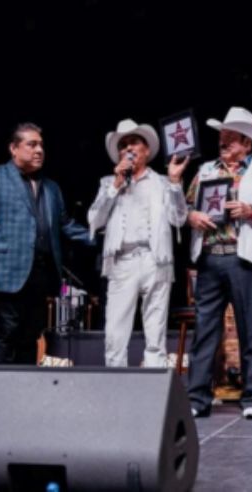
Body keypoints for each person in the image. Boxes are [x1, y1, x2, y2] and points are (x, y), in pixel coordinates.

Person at [186, 107, 252, 420]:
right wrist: (192, 215)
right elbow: (184, 207)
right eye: (223, 136)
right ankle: (197, 399)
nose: (225, 141)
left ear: (247, 143)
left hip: (248, 259)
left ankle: (251, 398)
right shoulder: (205, 170)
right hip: (209, 258)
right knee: (206, 331)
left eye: (232, 137)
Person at [0, 123, 91, 364]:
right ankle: (1, 394)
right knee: (7, 331)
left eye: (41, 145)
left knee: (31, 334)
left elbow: (65, 226)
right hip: (6, 271)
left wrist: (105, 238)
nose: (39, 150)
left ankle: (22, 392)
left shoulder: (52, 187)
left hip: (41, 272)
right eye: (31, 144)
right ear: (13, 148)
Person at [87, 119, 189, 368]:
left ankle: (153, 392)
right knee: (115, 331)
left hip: (156, 259)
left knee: (155, 329)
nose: (127, 149)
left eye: (133, 142)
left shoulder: (164, 183)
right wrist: (115, 185)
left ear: (147, 150)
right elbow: (94, 220)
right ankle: (115, 392)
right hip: (122, 260)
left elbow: (179, 218)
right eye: (122, 145)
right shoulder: (107, 183)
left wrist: (176, 183)